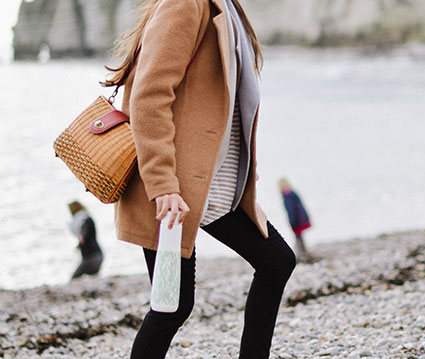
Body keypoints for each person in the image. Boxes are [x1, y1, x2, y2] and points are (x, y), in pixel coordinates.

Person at [102, 0, 296, 358]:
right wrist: (163, 186)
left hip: (212, 185)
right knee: (171, 305)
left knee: (276, 262)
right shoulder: (185, 4)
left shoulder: (223, 5)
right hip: (174, 190)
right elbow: (148, 97)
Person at [278, 178, 313, 262]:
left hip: (297, 220)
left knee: (298, 236)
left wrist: (293, 221)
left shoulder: (287, 196)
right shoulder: (292, 193)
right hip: (301, 218)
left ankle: (301, 252)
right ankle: (302, 251)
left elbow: (291, 210)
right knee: (299, 236)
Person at [68, 201, 103, 279]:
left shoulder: (84, 220)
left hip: (92, 257)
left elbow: (85, 230)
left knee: (74, 277)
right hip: (96, 255)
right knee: (93, 278)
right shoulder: (86, 218)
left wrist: (82, 237)